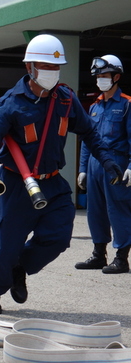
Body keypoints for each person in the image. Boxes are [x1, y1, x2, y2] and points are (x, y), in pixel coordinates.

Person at [0, 34, 122, 314]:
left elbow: (89, 132)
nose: (51, 73)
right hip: (17, 184)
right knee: (7, 246)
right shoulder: (12, 103)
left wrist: (108, 161)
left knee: (58, 238)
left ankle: (21, 268)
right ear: (30, 67)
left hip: (53, 182)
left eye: (56, 68)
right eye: (45, 67)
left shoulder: (65, 100)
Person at [75, 55, 131, 274]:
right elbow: (88, 140)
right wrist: (82, 169)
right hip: (94, 164)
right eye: (98, 76)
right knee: (95, 211)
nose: (100, 79)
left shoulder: (126, 104)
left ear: (116, 77)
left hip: (116, 162)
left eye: (104, 75)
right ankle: (99, 255)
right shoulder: (95, 107)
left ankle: (121, 258)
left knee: (117, 209)